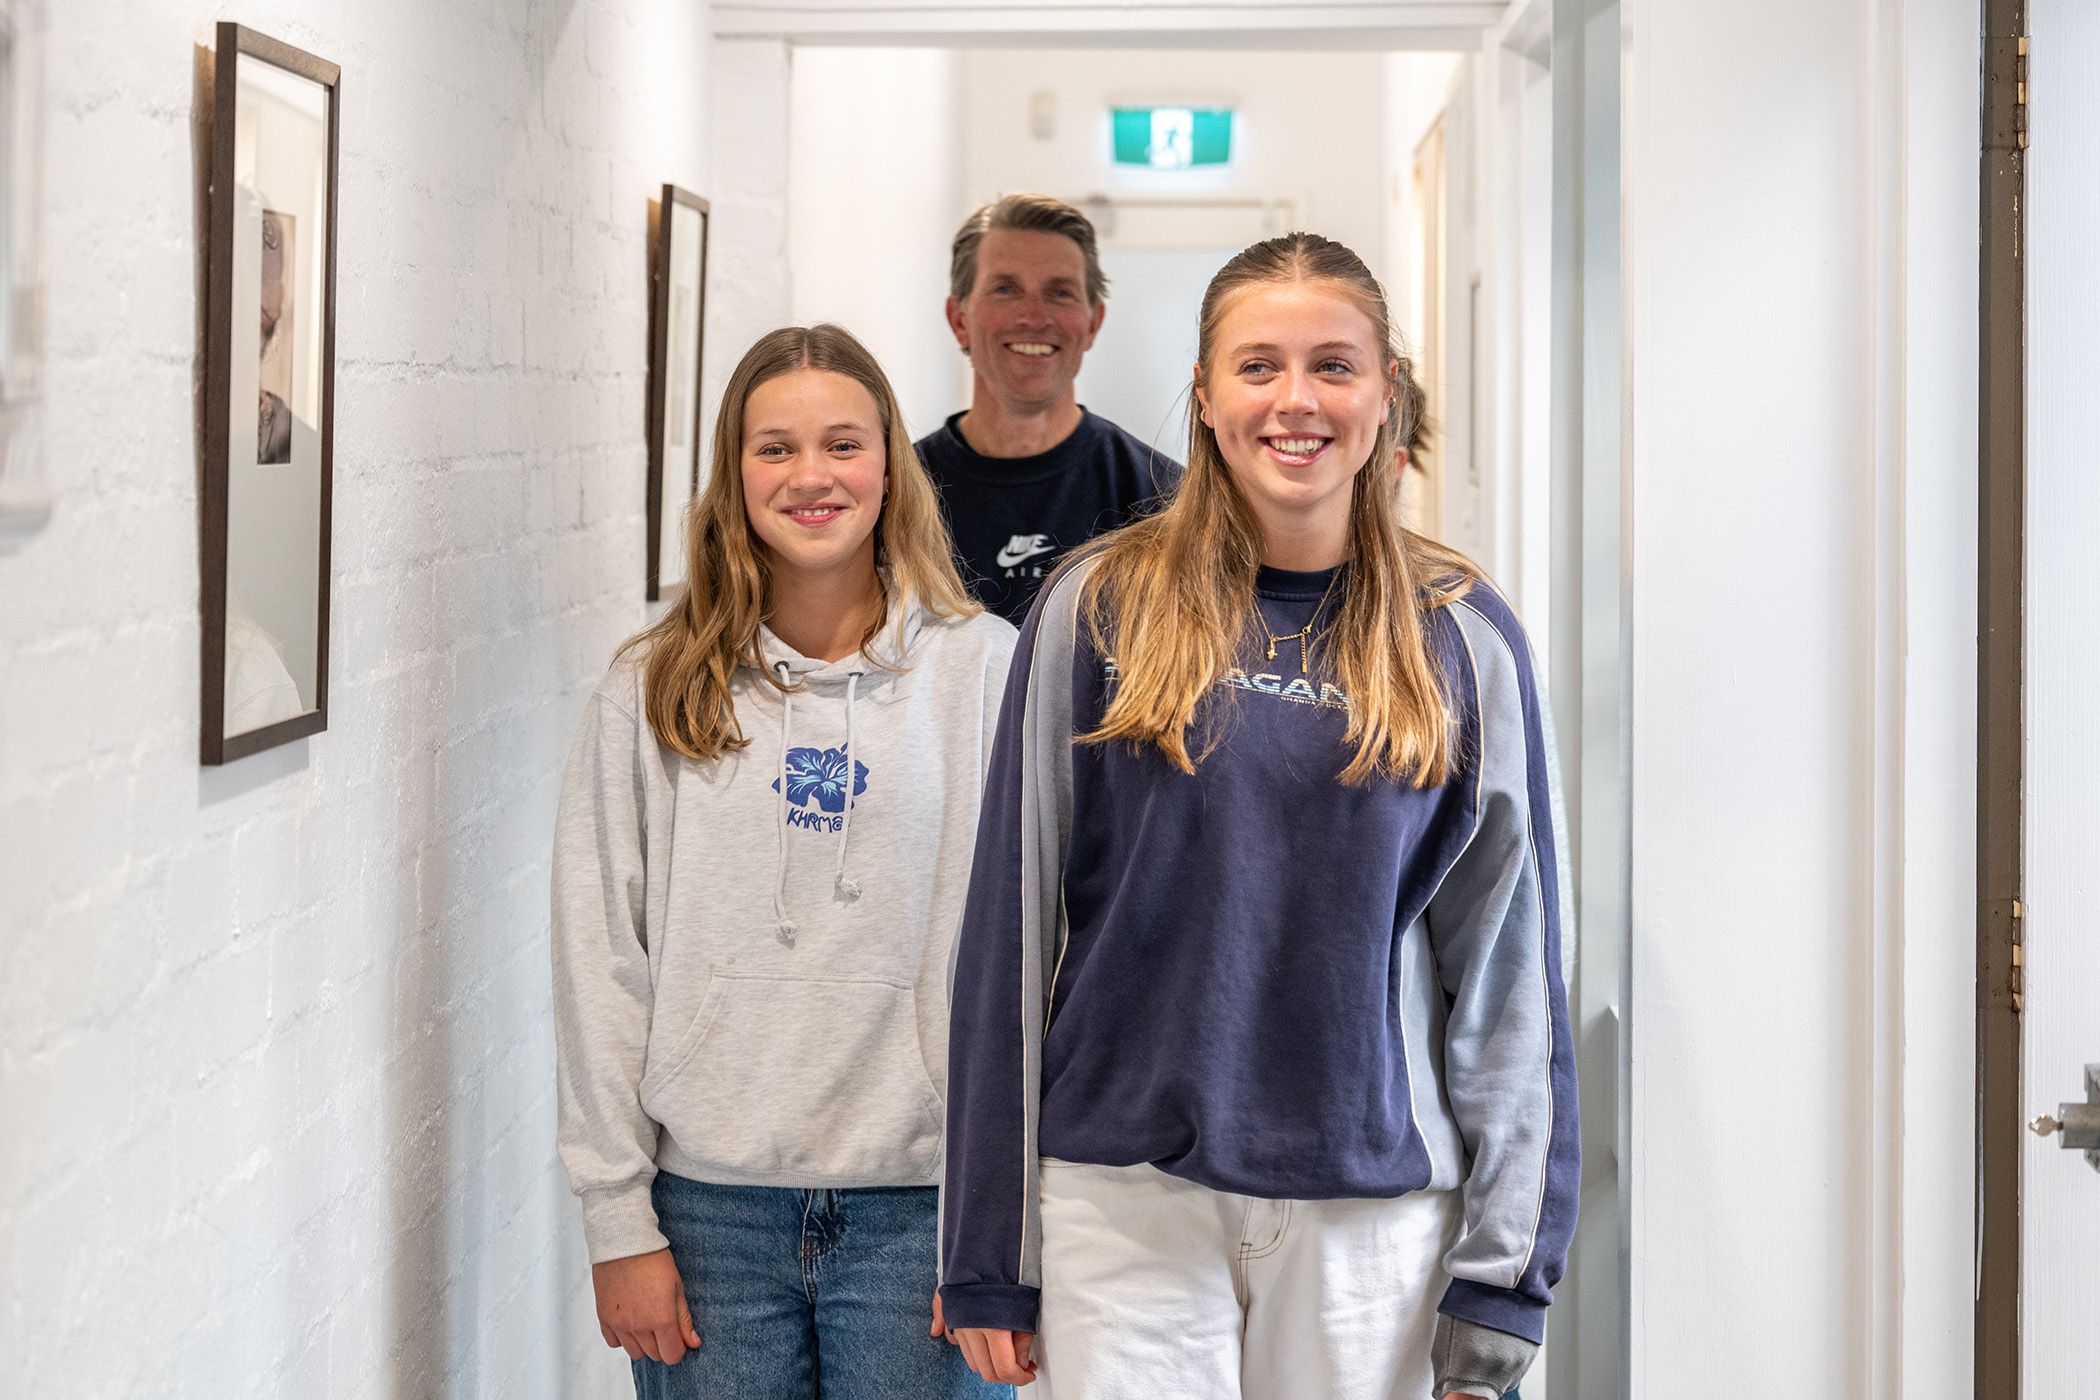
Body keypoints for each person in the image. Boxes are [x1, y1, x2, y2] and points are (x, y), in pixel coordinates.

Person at [937, 234, 1577, 1400]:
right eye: (1258, 366)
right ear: (1205, 393)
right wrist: (986, 1247)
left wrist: (1504, 1275)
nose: (1296, 400)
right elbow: (1008, 928)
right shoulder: (1096, 605)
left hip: (1372, 1213)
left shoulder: (1463, 631)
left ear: (1386, 394)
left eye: (1333, 365)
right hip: (1122, 1204)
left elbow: (1512, 971)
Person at [552, 324, 1018, 1400]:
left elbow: (1043, 957)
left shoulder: (987, 672)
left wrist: (1005, 1218)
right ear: (733, 475)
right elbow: (598, 958)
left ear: (892, 465)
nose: (812, 475)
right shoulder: (652, 687)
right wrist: (617, 1215)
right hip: (708, 1212)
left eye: (844, 443)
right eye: (775, 448)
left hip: (930, 1210)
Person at [916, 195, 1178, 625]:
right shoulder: (897, 494)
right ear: (958, 318)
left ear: (1094, 322)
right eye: (1005, 289)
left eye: (1060, 293)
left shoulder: (1162, 499)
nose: (1034, 317)